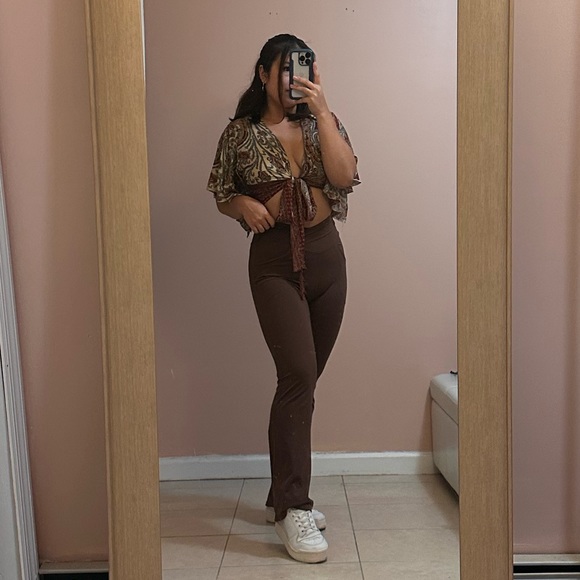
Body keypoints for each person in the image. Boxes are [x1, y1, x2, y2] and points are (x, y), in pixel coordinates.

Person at [207, 33, 359, 564]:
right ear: (264, 73)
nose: (297, 78)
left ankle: (283, 494)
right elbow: (221, 191)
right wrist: (242, 205)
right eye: (287, 69)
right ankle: (295, 507)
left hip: (327, 259)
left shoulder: (323, 123)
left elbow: (345, 175)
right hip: (274, 262)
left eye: (305, 69)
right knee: (297, 374)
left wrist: (324, 109)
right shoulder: (240, 133)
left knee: (303, 382)